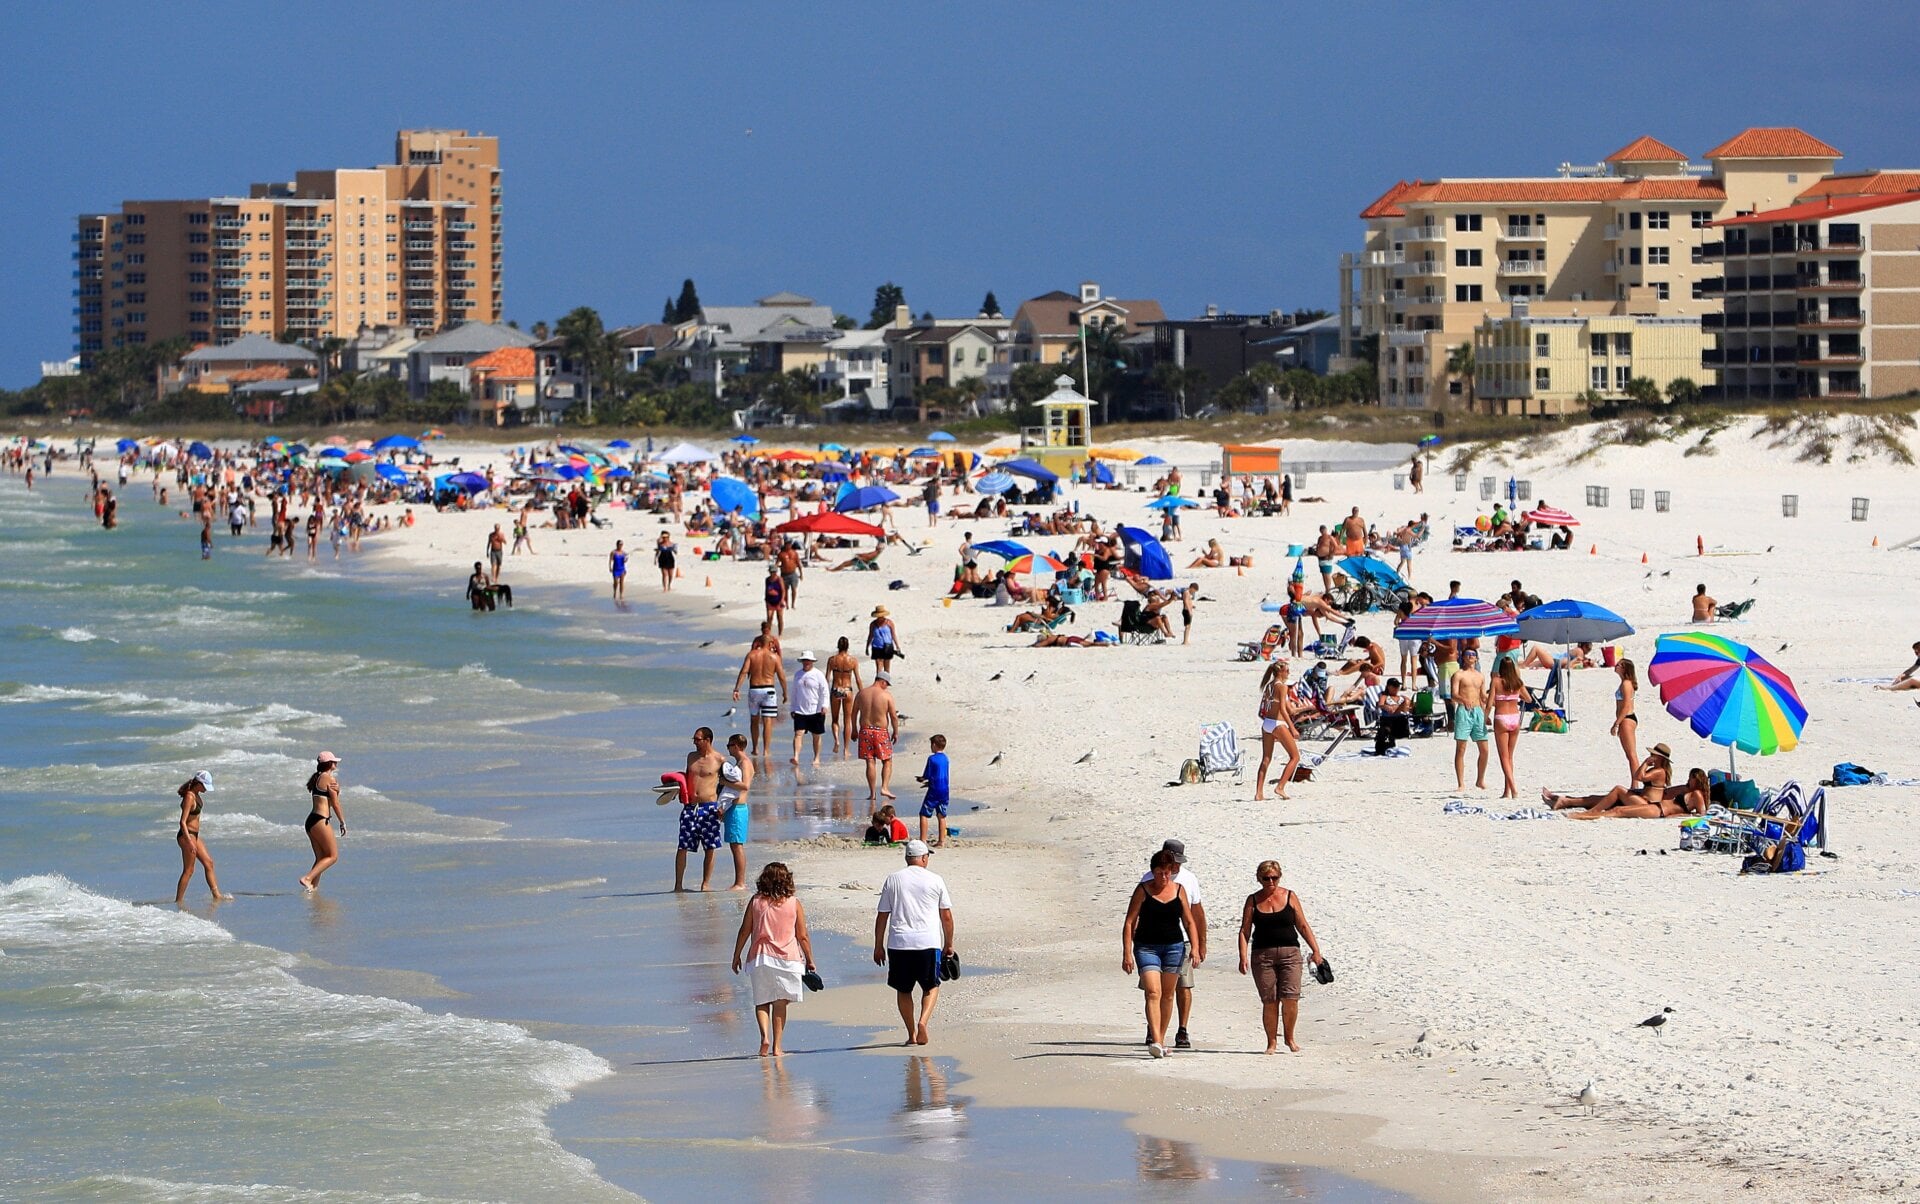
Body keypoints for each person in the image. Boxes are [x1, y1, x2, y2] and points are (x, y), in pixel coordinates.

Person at [1236, 861, 1326, 1054]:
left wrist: (1316, 950)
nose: (1270, 882)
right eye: (1266, 878)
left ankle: (1290, 1038)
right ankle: (1271, 1042)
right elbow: (1244, 931)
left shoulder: (1290, 896)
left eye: (1274, 878)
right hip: (1262, 956)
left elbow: (1302, 925)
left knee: (1290, 997)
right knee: (1270, 1000)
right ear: (1259, 878)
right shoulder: (1253, 900)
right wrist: (1242, 956)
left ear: (1279, 877)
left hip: (1290, 954)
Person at [874, 839, 955, 1046]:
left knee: (903, 990)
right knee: (931, 986)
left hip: (899, 943)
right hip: (927, 942)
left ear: (907, 858)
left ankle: (911, 1034)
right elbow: (946, 915)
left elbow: (882, 915)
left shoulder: (893, 879)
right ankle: (923, 1022)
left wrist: (878, 946)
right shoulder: (935, 880)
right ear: (924, 858)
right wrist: (949, 944)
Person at [731, 861, 816, 1057]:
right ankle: (777, 1046)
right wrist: (810, 959)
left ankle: (764, 1038)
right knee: (780, 1002)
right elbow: (802, 935)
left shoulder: (756, 901)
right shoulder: (793, 903)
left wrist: (736, 955)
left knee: (762, 1001)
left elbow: (745, 931)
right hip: (788, 957)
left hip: (760, 957)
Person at [1121, 849, 1198, 1058]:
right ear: (1152, 872)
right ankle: (1155, 1040)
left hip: (1174, 947)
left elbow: (1189, 921)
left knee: (1168, 994)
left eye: (1167, 872)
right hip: (1147, 947)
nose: (1163, 877)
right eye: (1159, 872)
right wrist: (1127, 953)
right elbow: (1129, 922)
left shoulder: (1179, 890)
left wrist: (1196, 948)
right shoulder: (1143, 890)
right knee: (1153, 992)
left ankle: (1161, 1041)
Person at [1138, 839, 1207, 1050]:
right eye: (1172, 861)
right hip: (1151, 943)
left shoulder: (1189, 880)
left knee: (1183, 986)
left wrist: (1200, 944)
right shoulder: (1149, 879)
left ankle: (1182, 1029)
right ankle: (1155, 1030)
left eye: (1178, 862)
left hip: (1181, 942)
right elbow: (1137, 916)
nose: (1175, 867)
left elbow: (1196, 914)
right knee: (1152, 990)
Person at [1546, 744, 1675, 816]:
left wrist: (1646, 763)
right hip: (1641, 799)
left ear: (1660, 758)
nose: (1651, 756)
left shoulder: (1659, 772)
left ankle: (1593, 811)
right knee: (1601, 798)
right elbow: (1638, 775)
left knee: (1618, 790)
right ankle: (1566, 801)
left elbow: (1638, 777)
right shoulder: (1657, 770)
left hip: (1647, 804)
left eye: (1654, 755)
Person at [676, 727, 725, 892]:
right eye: (694, 739)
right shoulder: (691, 757)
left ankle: (705, 884)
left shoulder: (719, 759)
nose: (695, 742)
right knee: (682, 846)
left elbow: (726, 785)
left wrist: (723, 807)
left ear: (708, 740)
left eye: (698, 739)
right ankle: (678, 885)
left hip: (709, 806)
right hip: (690, 807)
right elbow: (685, 778)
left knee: (709, 847)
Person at [173, 770, 228, 905]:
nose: (206, 789)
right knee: (189, 870)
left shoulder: (196, 794)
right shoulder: (189, 797)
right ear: (198, 784)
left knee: (209, 863)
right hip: (187, 836)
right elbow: (182, 822)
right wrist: (190, 843)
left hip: (194, 835)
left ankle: (217, 895)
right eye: (205, 786)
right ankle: (178, 901)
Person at [731, 635, 787, 758]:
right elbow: (781, 676)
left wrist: (737, 689)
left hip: (754, 690)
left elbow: (744, 672)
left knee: (754, 720)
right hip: (769, 690)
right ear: (771, 643)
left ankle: (755, 748)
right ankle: (766, 750)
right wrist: (785, 692)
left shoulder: (752, 655)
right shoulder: (774, 657)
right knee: (768, 721)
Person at [299, 752, 346, 891]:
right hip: (320, 820)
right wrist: (342, 822)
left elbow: (328, 801)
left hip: (311, 821)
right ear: (329, 764)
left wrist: (338, 791)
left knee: (320, 857)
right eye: (334, 761)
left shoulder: (318, 777)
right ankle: (307, 878)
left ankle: (312, 887)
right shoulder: (329, 779)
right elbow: (335, 804)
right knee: (332, 856)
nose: (336, 764)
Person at [1255, 660, 1301, 801]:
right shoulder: (1282, 687)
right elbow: (1283, 709)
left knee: (1266, 759)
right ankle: (1280, 787)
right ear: (1280, 671)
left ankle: (1259, 793)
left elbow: (1289, 709)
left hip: (1267, 723)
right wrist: (1292, 728)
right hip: (1277, 723)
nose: (1288, 673)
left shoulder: (1269, 685)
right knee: (1295, 757)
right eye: (1287, 670)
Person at [854, 670, 900, 802]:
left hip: (865, 730)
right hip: (880, 731)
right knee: (887, 760)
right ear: (883, 681)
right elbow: (893, 716)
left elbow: (853, 713)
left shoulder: (862, 693)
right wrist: (895, 731)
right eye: (887, 684)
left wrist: (853, 730)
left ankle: (872, 793)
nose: (886, 686)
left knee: (870, 761)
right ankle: (884, 787)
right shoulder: (886, 696)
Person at [719, 733, 755, 891]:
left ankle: (740, 882)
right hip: (734, 808)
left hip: (739, 808)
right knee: (734, 845)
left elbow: (745, 786)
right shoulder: (740, 763)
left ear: (737, 746)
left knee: (737, 845)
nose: (728, 748)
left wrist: (724, 782)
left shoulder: (745, 763)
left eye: (729, 745)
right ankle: (738, 881)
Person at [1451, 648, 1490, 792]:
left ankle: (1480, 780)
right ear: (1463, 657)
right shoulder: (1458, 675)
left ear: (1476, 658)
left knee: (1485, 749)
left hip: (1478, 711)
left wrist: (1488, 710)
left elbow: (1483, 697)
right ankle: (1461, 783)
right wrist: (1463, 699)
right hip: (1464, 711)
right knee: (1461, 748)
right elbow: (1453, 694)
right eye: (1468, 654)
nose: (1470, 657)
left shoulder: (1480, 676)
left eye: (1473, 655)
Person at [1490, 659, 1526, 799]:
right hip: (1515, 718)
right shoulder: (1518, 683)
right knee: (1510, 757)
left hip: (1502, 718)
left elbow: (1489, 703)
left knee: (1504, 757)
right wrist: (1515, 696)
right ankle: (1507, 791)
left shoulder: (1496, 681)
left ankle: (1514, 788)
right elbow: (1528, 699)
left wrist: (1485, 717)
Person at [827, 637, 863, 758]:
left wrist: (824, 693)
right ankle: (846, 749)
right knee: (847, 720)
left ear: (838, 646)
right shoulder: (852, 660)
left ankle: (836, 740)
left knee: (835, 719)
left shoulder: (832, 660)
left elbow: (827, 678)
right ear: (848, 646)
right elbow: (857, 678)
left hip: (836, 689)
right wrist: (862, 692)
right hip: (847, 690)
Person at [916, 734, 951, 846]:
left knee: (924, 814)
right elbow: (940, 774)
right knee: (941, 815)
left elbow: (927, 774)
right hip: (945, 789)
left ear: (934, 745)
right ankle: (941, 841)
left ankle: (923, 840)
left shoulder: (932, 759)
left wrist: (921, 779)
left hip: (934, 790)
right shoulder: (946, 758)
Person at [1611, 659, 1640, 784]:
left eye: (1619, 665)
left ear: (1624, 668)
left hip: (1627, 719)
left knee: (1632, 754)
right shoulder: (1625, 683)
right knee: (1630, 754)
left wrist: (1617, 723)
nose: (1616, 666)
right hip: (1627, 719)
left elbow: (1626, 706)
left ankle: (1635, 783)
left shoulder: (1626, 684)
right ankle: (1635, 783)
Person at [1372, 678, 1412, 755]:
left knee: (1406, 701)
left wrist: (1395, 707)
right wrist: (1386, 707)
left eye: (1397, 686)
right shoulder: (1385, 696)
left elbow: (1409, 706)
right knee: (1403, 704)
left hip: (1400, 718)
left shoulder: (1402, 697)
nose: (1396, 688)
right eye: (1394, 686)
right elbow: (1380, 704)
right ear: (1388, 687)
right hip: (1388, 719)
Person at [866, 606, 899, 675]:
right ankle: (879, 682)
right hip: (876, 646)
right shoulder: (873, 624)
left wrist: (897, 646)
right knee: (879, 667)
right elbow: (870, 635)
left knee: (887, 667)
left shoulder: (889, 623)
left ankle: (886, 682)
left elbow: (893, 635)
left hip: (888, 646)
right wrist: (867, 646)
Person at [763, 564, 787, 636]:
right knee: (769, 618)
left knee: (779, 617)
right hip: (770, 601)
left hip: (778, 600)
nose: (773, 573)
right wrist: (766, 600)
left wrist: (782, 600)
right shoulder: (767, 580)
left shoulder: (779, 579)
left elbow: (783, 590)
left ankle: (780, 633)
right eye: (771, 572)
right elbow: (766, 590)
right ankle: (768, 634)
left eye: (774, 572)